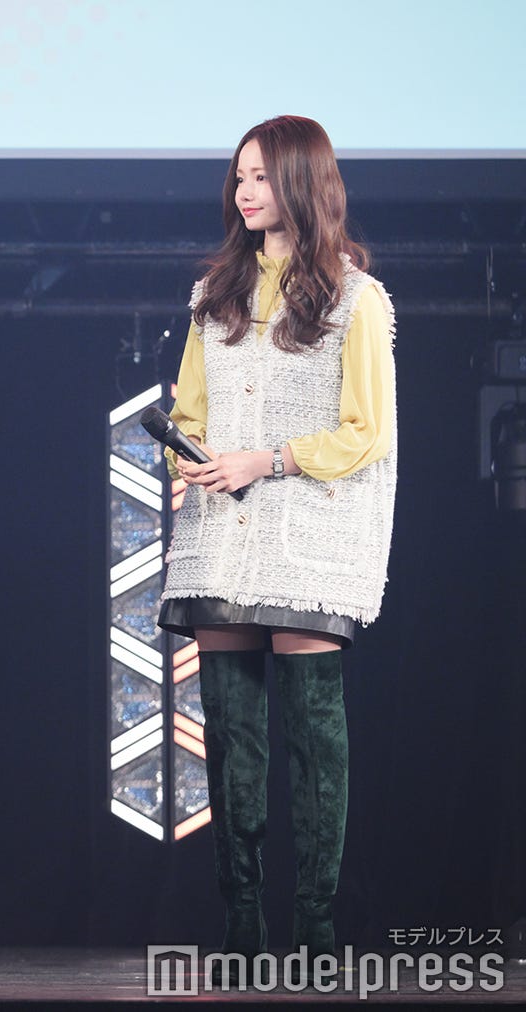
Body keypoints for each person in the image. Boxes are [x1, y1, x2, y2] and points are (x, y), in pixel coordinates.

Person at [158, 115, 397, 962]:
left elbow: (367, 431)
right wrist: (189, 453)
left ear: (302, 181)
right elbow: (189, 413)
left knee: (314, 740)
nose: (244, 191)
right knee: (232, 743)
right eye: (239, 177)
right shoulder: (213, 295)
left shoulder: (355, 299)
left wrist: (268, 459)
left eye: (260, 176)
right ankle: (242, 925)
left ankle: (317, 931)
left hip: (309, 539)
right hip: (221, 537)